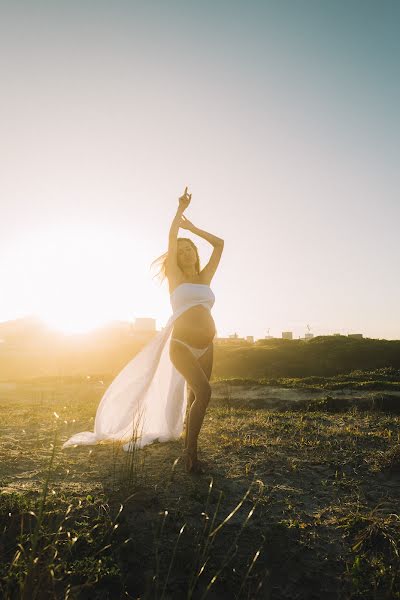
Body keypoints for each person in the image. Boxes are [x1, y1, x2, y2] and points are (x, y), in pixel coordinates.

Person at [62, 187, 224, 474]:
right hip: (183, 344)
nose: (186, 253)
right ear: (176, 258)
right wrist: (179, 212)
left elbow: (220, 244)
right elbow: (172, 238)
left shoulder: (205, 277)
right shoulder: (175, 278)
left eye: (190, 250)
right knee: (205, 392)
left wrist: (194, 228)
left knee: (193, 397)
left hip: (207, 345)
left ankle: (190, 449)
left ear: (196, 254)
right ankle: (191, 456)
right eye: (182, 251)